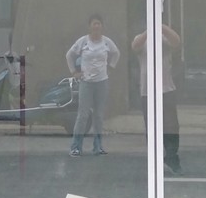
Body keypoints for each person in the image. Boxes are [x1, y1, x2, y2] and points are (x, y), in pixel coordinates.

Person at [65, 14, 120, 157]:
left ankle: (98, 146)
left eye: (99, 23)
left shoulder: (107, 42)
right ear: (89, 26)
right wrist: (74, 72)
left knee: (99, 116)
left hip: (102, 83)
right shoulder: (83, 42)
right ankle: (76, 147)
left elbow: (116, 53)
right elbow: (69, 55)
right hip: (86, 83)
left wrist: (111, 67)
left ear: (102, 26)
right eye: (94, 23)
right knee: (82, 115)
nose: (96, 26)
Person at [132, 22, 182, 175]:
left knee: (171, 126)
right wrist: (149, 30)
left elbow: (176, 41)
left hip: (166, 89)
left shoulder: (164, 39)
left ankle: (172, 158)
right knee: (152, 127)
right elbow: (135, 46)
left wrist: (161, 27)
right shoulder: (141, 39)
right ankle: (156, 160)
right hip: (147, 92)